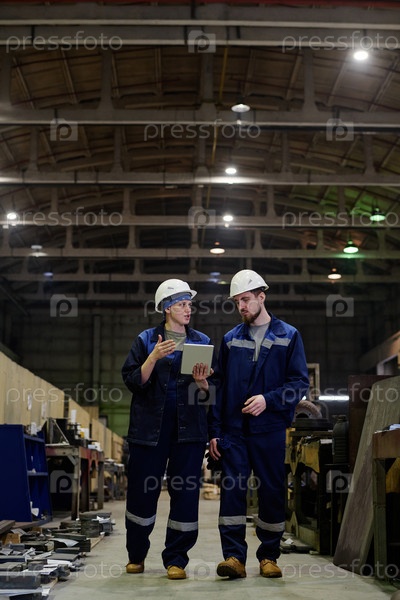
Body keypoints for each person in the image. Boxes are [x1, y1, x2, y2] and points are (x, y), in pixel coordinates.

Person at [208, 269, 309, 580]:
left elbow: (299, 383)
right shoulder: (230, 339)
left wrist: (269, 400)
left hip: (270, 429)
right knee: (232, 493)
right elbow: (218, 387)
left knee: (271, 491)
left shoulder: (288, 335)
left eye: (246, 299)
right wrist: (214, 432)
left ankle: (268, 556)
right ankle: (234, 557)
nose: (241, 306)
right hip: (234, 432)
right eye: (237, 301)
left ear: (261, 297)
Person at [122, 279, 214, 580]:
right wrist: (153, 357)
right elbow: (133, 381)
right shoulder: (147, 340)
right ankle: (136, 555)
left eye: (190, 304)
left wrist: (203, 384)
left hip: (189, 431)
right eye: (182, 305)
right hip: (149, 431)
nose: (189, 310)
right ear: (166, 308)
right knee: (142, 492)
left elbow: (212, 395)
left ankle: (176, 559)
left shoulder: (201, 341)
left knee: (185, 494)